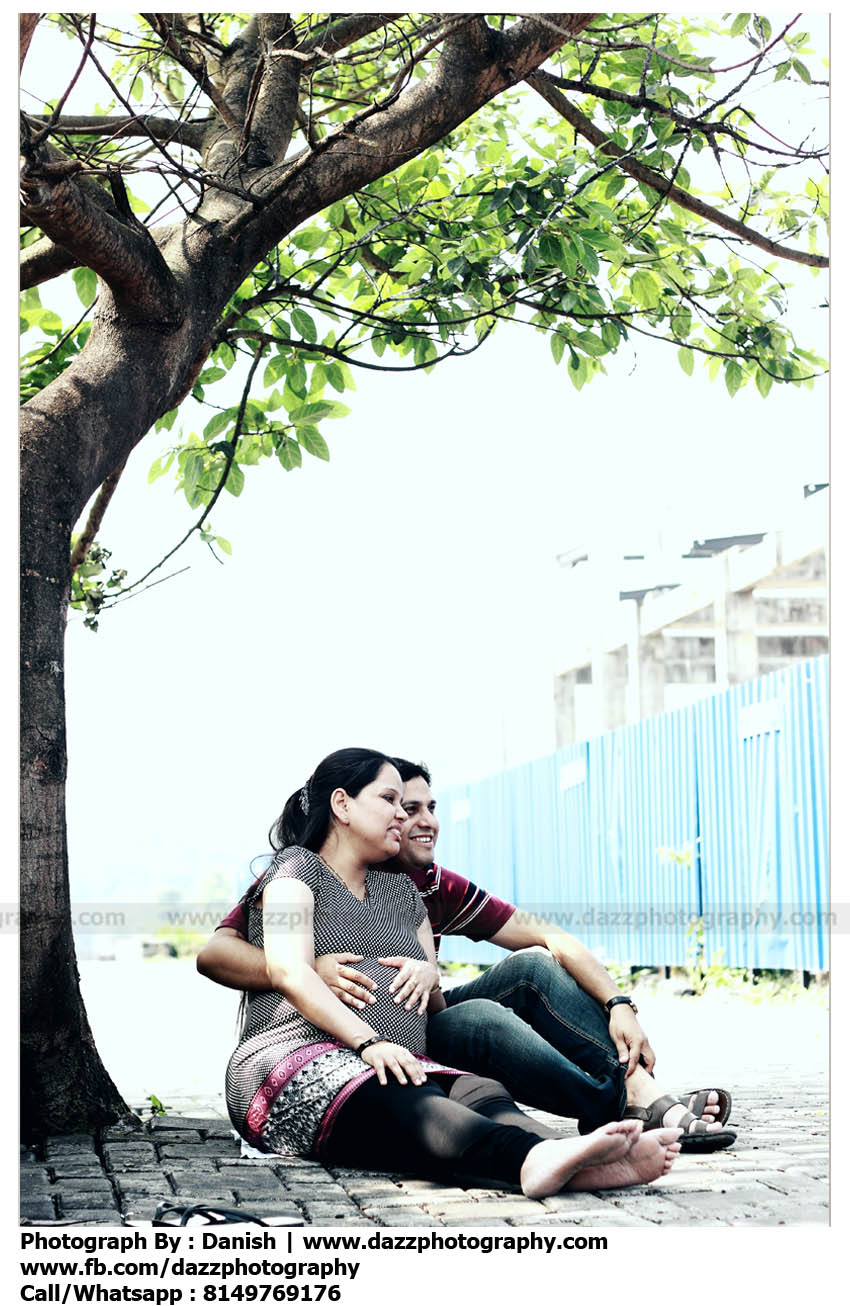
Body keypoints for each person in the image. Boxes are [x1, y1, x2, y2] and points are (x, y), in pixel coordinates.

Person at [203, 757, 735, 1151]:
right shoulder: (299, 873)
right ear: (347, 806)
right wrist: (306, 968)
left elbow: (549, 937)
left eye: (427, 807)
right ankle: (616, 1108)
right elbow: (217, 955)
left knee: (531, 967)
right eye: (401, 806)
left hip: (415, 1020)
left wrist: (620, 1002)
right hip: (350, 1036)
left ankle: (635, 1092)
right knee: (479, 1021)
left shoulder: (426, 887)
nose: (419, 820)